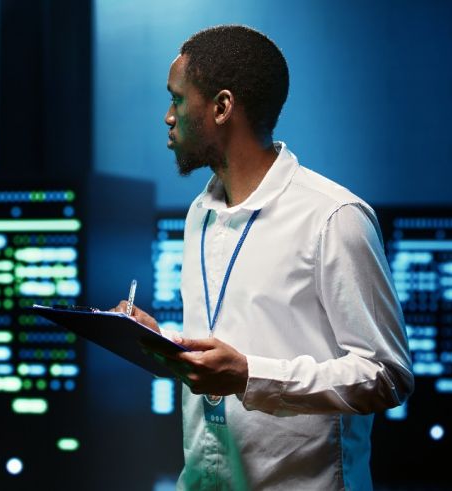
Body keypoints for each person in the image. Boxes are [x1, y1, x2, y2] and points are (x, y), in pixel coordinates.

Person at [113, 25, 414, 490]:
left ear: (222, 107)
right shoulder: (200, 213)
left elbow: (387, 375)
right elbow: (226, 351)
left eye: (176, 99)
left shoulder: (333, 217)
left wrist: (252, 375)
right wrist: (166, 346)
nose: (167, 117)